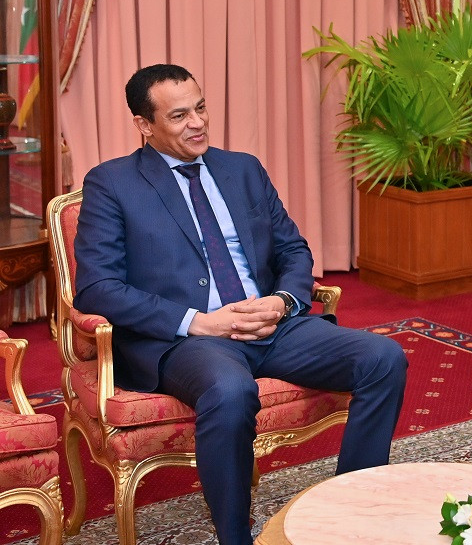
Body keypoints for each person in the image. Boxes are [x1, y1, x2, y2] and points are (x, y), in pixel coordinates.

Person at [74, 64, 408, 545]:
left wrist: (282, 301)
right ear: (144, 125)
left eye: (201, 108)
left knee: (383, 357)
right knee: (230, 391)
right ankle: (235, 537)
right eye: (179, 116)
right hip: (191, 341)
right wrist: (199, 322)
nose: (198, 123)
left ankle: (350, 511)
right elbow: (98, 288)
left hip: (273, 324)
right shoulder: (112, 183)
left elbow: (293, 250)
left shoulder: (243, 169)